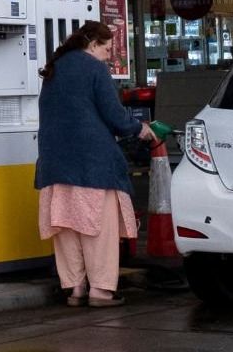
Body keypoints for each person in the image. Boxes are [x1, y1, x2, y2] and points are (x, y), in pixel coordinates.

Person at [35, 21, 153, 308]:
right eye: (107, 48)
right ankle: (100, 290)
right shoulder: (95, 70)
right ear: (92, 44)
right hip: (92, 164)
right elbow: (114, 114)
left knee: (67, 229)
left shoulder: (55, 67)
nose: (109, 56)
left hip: (54, 163)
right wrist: (139, 128)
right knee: (98, 230)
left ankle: (76, 289)